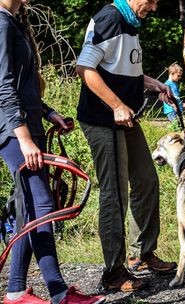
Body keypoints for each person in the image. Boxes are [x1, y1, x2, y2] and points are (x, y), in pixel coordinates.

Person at [0, 0, 105, 303]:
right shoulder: (2, 23)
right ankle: (58, 291)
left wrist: (48, 113)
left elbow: (23, 86)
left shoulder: (13, 20)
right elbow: (3, 86)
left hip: (28, 128)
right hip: (13, 132)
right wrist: (24, 139)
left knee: (31, 209)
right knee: (43, 204)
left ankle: (16, 291)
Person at [75, 0, 177, 292]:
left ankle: (141, 255)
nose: (155, 7)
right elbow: (85, 68)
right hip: (103, 119)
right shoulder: (109, 19)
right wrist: (117, 105)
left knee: (146, 179)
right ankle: (113, 271)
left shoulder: (130, 23)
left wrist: (153, 84)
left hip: (127, 118)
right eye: (153, 0)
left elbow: (120, 70)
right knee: (115, 193)